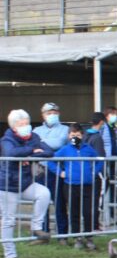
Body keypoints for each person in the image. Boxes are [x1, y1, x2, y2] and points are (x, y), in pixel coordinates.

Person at [0, 109, 53, 258]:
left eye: (27, 123)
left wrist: (28, 156)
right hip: (7, 185)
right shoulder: (7, 139)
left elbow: (49, 152)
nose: (26, 127)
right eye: (22, 124)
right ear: (14, 127)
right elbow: (11, 152)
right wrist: (30, 151)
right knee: (8, 220)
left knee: (44, 193)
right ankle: (10, 255)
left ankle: (36, 227)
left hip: (26, 183)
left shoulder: (33, 137)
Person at [49, 123, 102, 250]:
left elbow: (100, 161)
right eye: (73, 135)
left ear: (82, 135)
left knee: (88, 212)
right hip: (71, 185)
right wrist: (60, 173)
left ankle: (89, 237)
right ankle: (77, 237)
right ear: (68, 136)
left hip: (87, 185)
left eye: (78, 135)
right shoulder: (65, 150)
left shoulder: (88, 149)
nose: (75, 137)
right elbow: (51, 161)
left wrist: (93, 172)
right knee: (74, 212)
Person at [34, 100, 70, 243]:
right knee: (41, 203)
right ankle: (43, 235)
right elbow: (34, 145)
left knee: (59, 203)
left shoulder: (65, 129)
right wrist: (47, 144)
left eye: (55, 113)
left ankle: (62, 235)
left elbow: (60, 143)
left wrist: (43, 144)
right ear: (43, 115)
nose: (52, 115)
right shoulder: (36, 131)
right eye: (49, 113)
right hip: (40, 170)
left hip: (56, 170)